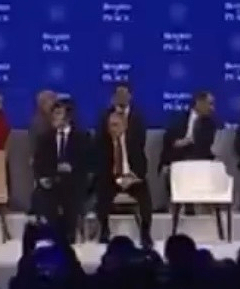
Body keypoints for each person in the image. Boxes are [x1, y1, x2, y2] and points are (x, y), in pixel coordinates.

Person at [32, 100, 90, 244]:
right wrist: (43, 177)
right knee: (43, 196)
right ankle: (53, 235)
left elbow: (88, 163)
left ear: (68, 117)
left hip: (73, 182)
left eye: (58, 114)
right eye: (53, 113)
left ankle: (69, 237)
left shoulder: (82, 138)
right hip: (51, 182)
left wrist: (71, 167)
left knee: (72, 198)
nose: (54, 117)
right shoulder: (45, 138)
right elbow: (38, 163)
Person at [93, 110, 152, 246]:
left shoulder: (133, 142)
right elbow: (100, 167)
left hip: (131, 179)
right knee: (102, 189)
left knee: (144, 191)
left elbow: (142, 164)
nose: (112, 129)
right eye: (110, 125)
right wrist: (116, 179)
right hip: (111, 179)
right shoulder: (102, 143)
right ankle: (104, 230)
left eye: (116, 125)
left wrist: (134, 177)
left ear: (125, 126)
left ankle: (145, 232)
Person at [159, 90, 218, 169]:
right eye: (210, 104)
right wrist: (180, 142)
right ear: (199, 102)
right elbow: (168, 140)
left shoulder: (210, 125)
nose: (212, 108)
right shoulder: (178, 118)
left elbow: (205, 148)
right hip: (175, 161)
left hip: (197, 164)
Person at [97, 82, 146, 163]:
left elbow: (140, 143)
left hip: (133, 163)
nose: (121, 98)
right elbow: (101, 143)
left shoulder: (138, 119)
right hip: (109, 163)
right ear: (114, 97)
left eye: (124, 94)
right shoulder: (105, 117)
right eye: (119, 94)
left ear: (130, 96)